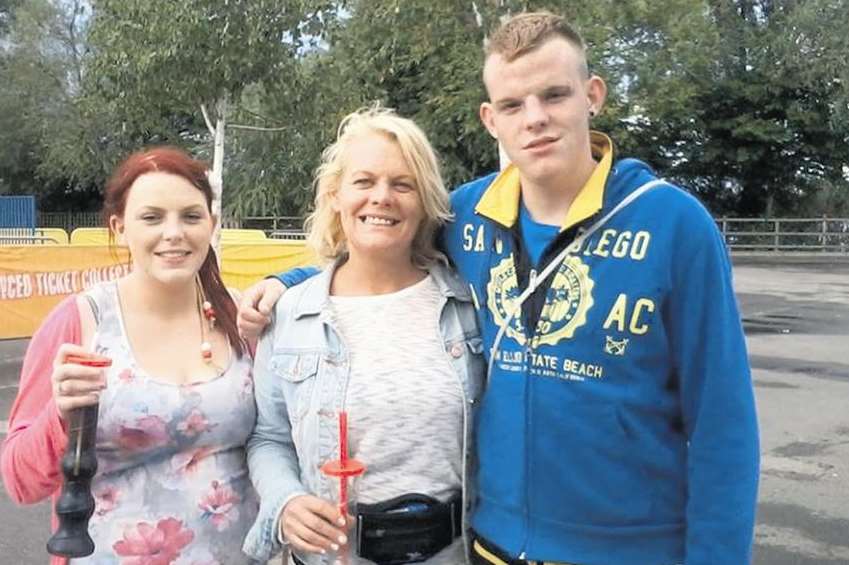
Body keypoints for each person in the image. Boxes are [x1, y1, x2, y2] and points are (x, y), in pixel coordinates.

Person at [239, 12, 760, 565]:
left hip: (630, 550)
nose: (535, 119)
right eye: (513, 105)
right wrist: (287, 282)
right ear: (491, 119)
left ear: (594, 95)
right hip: (489, 547)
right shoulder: (469, 216)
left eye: (554, 95)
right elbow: (379, 242)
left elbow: (723, 428)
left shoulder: (674, 225)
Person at [241, 107, 485, 565]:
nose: (382, 197)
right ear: (335, 196)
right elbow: (267, 437)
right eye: (364, 181)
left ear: (425, 200)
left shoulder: (468, 308)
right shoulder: (291, 314)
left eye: (402, 184)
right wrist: (286, 501)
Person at [2, 147, 260, 564]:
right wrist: (60, 416)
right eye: (152, 217)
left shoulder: (240, 318)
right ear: (119, 227)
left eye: (191, 216)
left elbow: (276, 441)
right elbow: (20, 482)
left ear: (211, 224)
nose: (174, 232)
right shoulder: (81, 322)